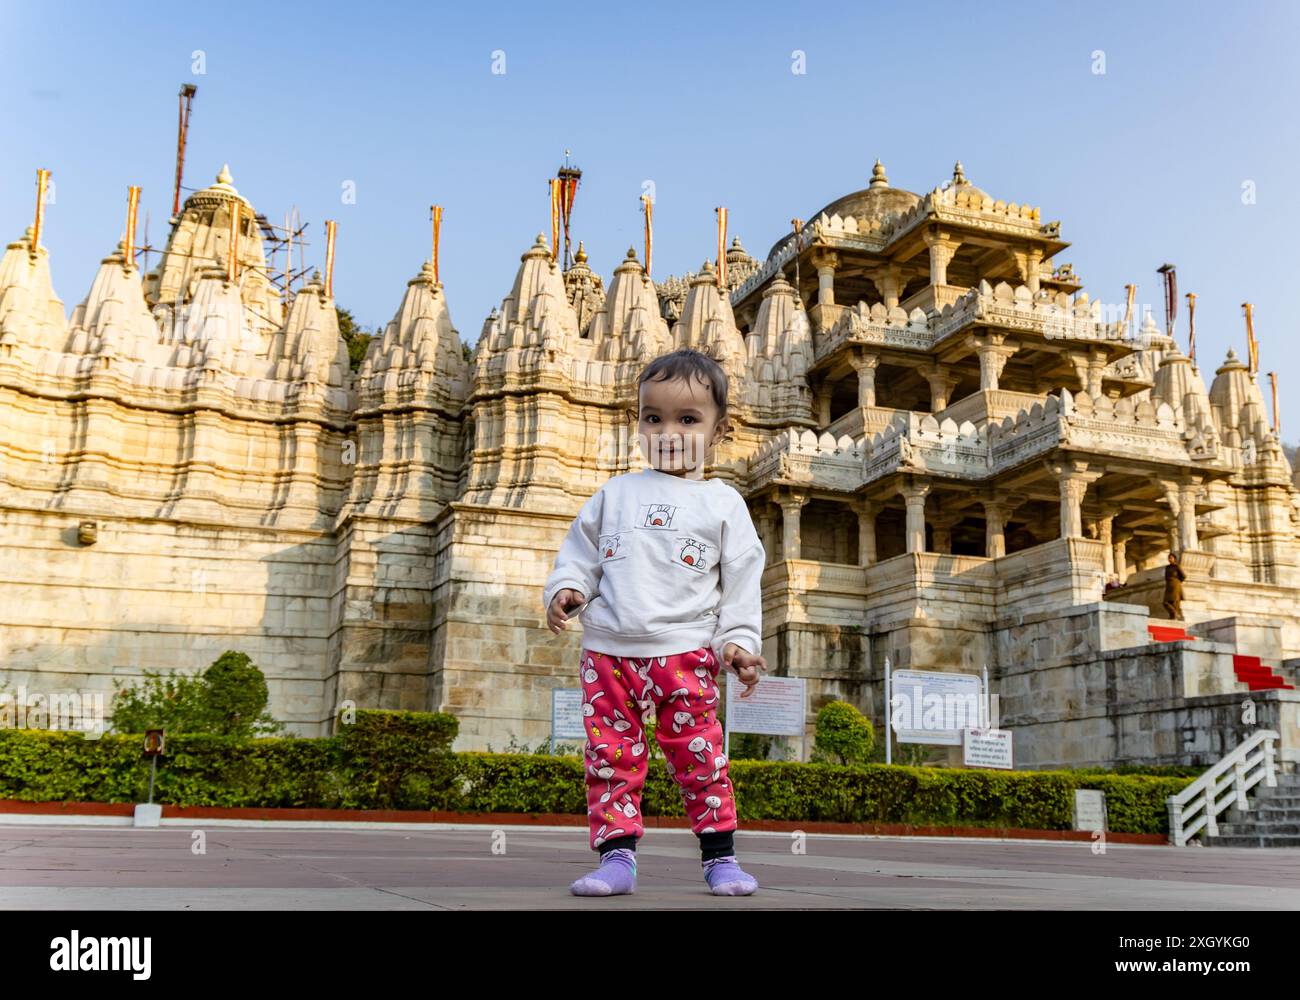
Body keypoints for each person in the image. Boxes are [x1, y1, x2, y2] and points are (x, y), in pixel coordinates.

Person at [543, 348, 767, 897]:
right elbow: (581, 555)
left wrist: (737, 642)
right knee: (610, 760)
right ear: (638, 422)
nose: (669, 431)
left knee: (701, 760)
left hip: (686, 653)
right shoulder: (614, 494)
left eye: (688, 419)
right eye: (653, 417)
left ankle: (721, 859)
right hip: (607, 656)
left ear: (720, 430)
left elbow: (741, 581)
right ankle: (616, 859)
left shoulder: (723, 504)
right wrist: (567, 589)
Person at [1162, 552, 1186, 619]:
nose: (1169, 559)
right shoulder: (1167, 567)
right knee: (1165, 602)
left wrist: (1178, 582)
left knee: (1174, 601)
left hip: (1175, 584)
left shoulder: (1177, 566)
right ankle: (1175, 614)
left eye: (1171, 558)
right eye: (1169, 558)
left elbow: (1183, 576)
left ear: (1174, 559)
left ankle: (1174, 615)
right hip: (1168, 585)